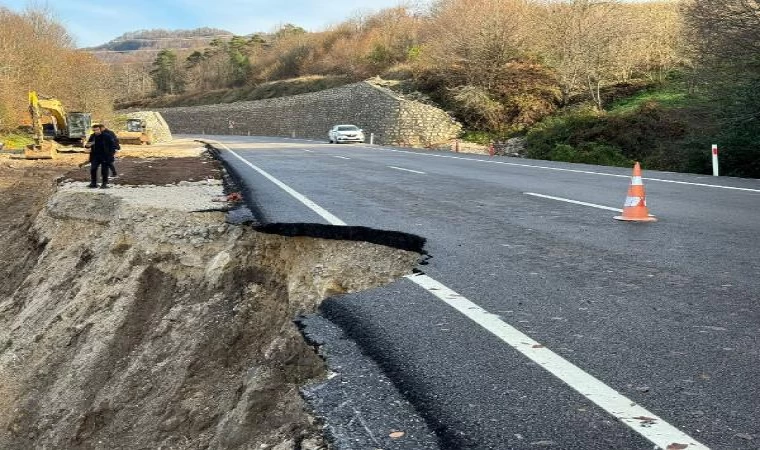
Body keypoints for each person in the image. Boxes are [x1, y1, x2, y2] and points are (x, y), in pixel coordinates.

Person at [85, 124, 117, 188]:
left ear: (100, 129)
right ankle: (93, 183)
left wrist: (111, 154)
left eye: (97, 130)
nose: (96, 131)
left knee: (104, 170)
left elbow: (113, 145)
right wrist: (88, 145)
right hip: (95, 156)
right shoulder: (92, 136)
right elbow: (87, 145)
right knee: (93, 169)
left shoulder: (107, 136)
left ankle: (104, 184)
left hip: (105, 156)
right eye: (94, 130)